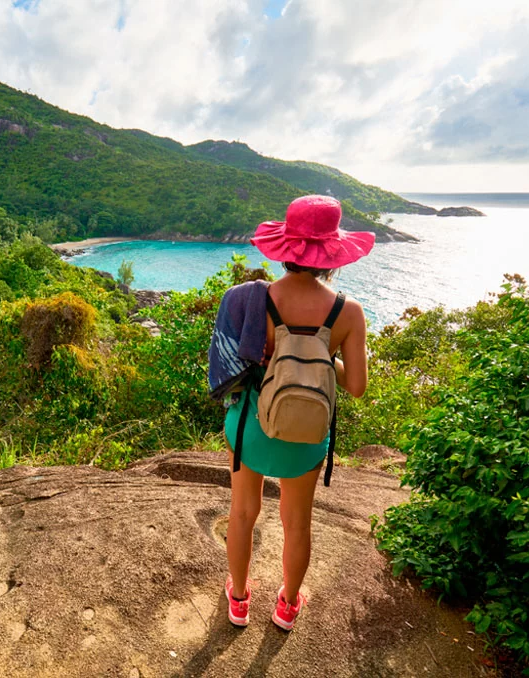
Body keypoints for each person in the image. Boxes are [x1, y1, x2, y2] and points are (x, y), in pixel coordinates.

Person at [207, 195, 373, 631]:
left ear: (286, 249)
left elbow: (237, 361)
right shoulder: (349, 312)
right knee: (298, 523)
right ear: (331, 255)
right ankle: (287, 605)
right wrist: (322, 351)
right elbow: (355, 386)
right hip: (307, 435)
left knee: (243, 512)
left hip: (252, 429)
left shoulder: (254, 301)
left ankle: (239, 599)